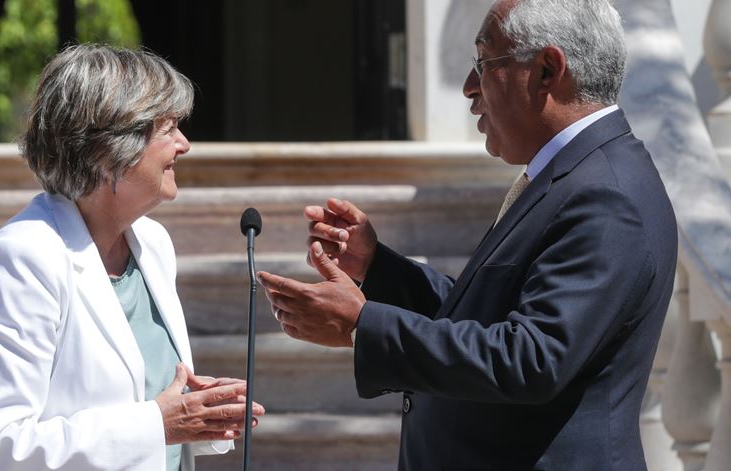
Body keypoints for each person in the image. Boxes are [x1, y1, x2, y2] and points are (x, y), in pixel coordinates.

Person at [257, 0, 677, 469]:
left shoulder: (604, 194)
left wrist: (363, 326)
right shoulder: (574, 176)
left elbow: (531, 359)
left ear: (546, 71)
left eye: (483, 62)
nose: (467, 88)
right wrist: (377, 268)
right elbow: (487, 318)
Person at [0, 44, 264, 471]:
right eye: (168, 128)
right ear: (106, 150)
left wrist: (201, 413)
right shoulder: (22, 260)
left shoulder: (152, 244)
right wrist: (161, 423)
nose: (184, 144)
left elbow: (145, 401)